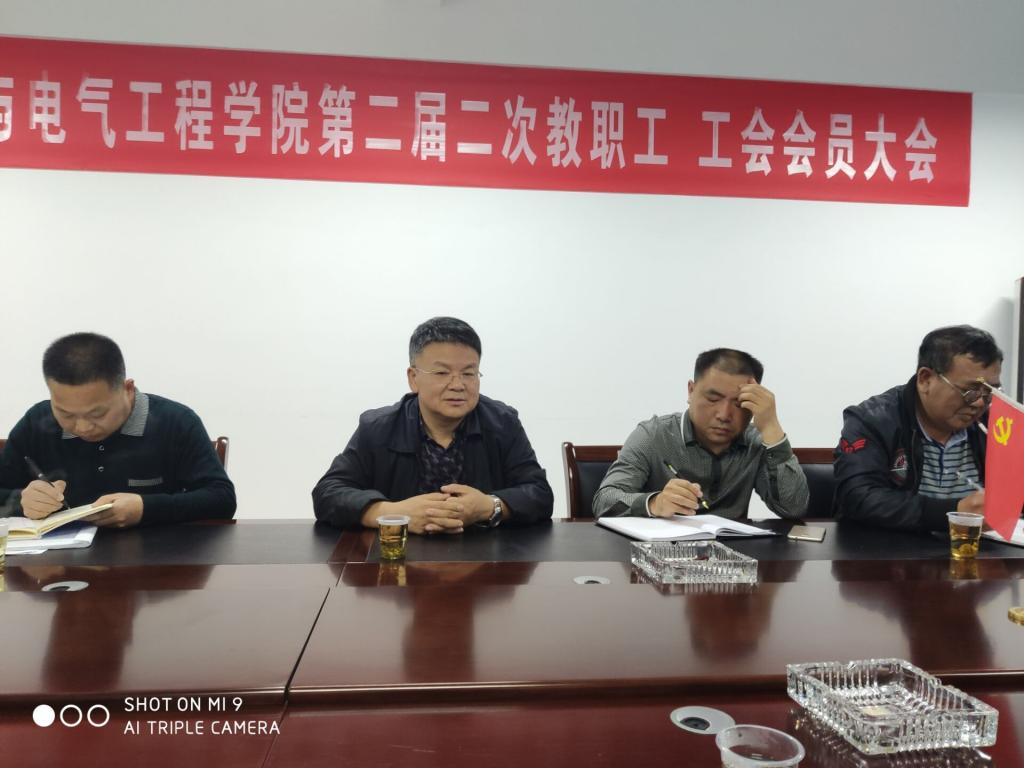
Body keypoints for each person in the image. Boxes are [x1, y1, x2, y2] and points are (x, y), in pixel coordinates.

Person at [312, 317, 553, 533]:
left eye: (469, 373)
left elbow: (539, 493)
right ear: (413, 378)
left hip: (486, 558)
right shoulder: (378, 427)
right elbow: (328, 493)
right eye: (441, 373)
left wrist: (489, 506)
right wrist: (393, 514)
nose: (457, 385)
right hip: (398, 559)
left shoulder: (502, 422)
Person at [0, 332, 236, 527]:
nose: (82, 427)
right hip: (57, 564)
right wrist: (22, 500)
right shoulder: (37, 422)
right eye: (66, 414)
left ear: (128, 389)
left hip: (156, 561)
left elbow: (222, 499)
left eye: (97, 414)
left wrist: (145, 508)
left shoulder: (175, 422)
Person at [593, 348, 808, 519]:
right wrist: (654, 503)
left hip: (734, 556)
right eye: (713, 399)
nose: (724, 415)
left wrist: (771, 427)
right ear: (691, 390)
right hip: (662, 554)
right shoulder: (654, 435)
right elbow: (604, 501)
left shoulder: (757, 443)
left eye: (739, 403)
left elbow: (794, 508)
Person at [834, 325, 1002, 531]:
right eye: (970, 391)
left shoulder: (996, 426)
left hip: (976, 547)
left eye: (989, 392)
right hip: (890, 548)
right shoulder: (873, 420)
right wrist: (955, 513)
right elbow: (857, 498)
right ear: (925, 379)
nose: (979, 403)